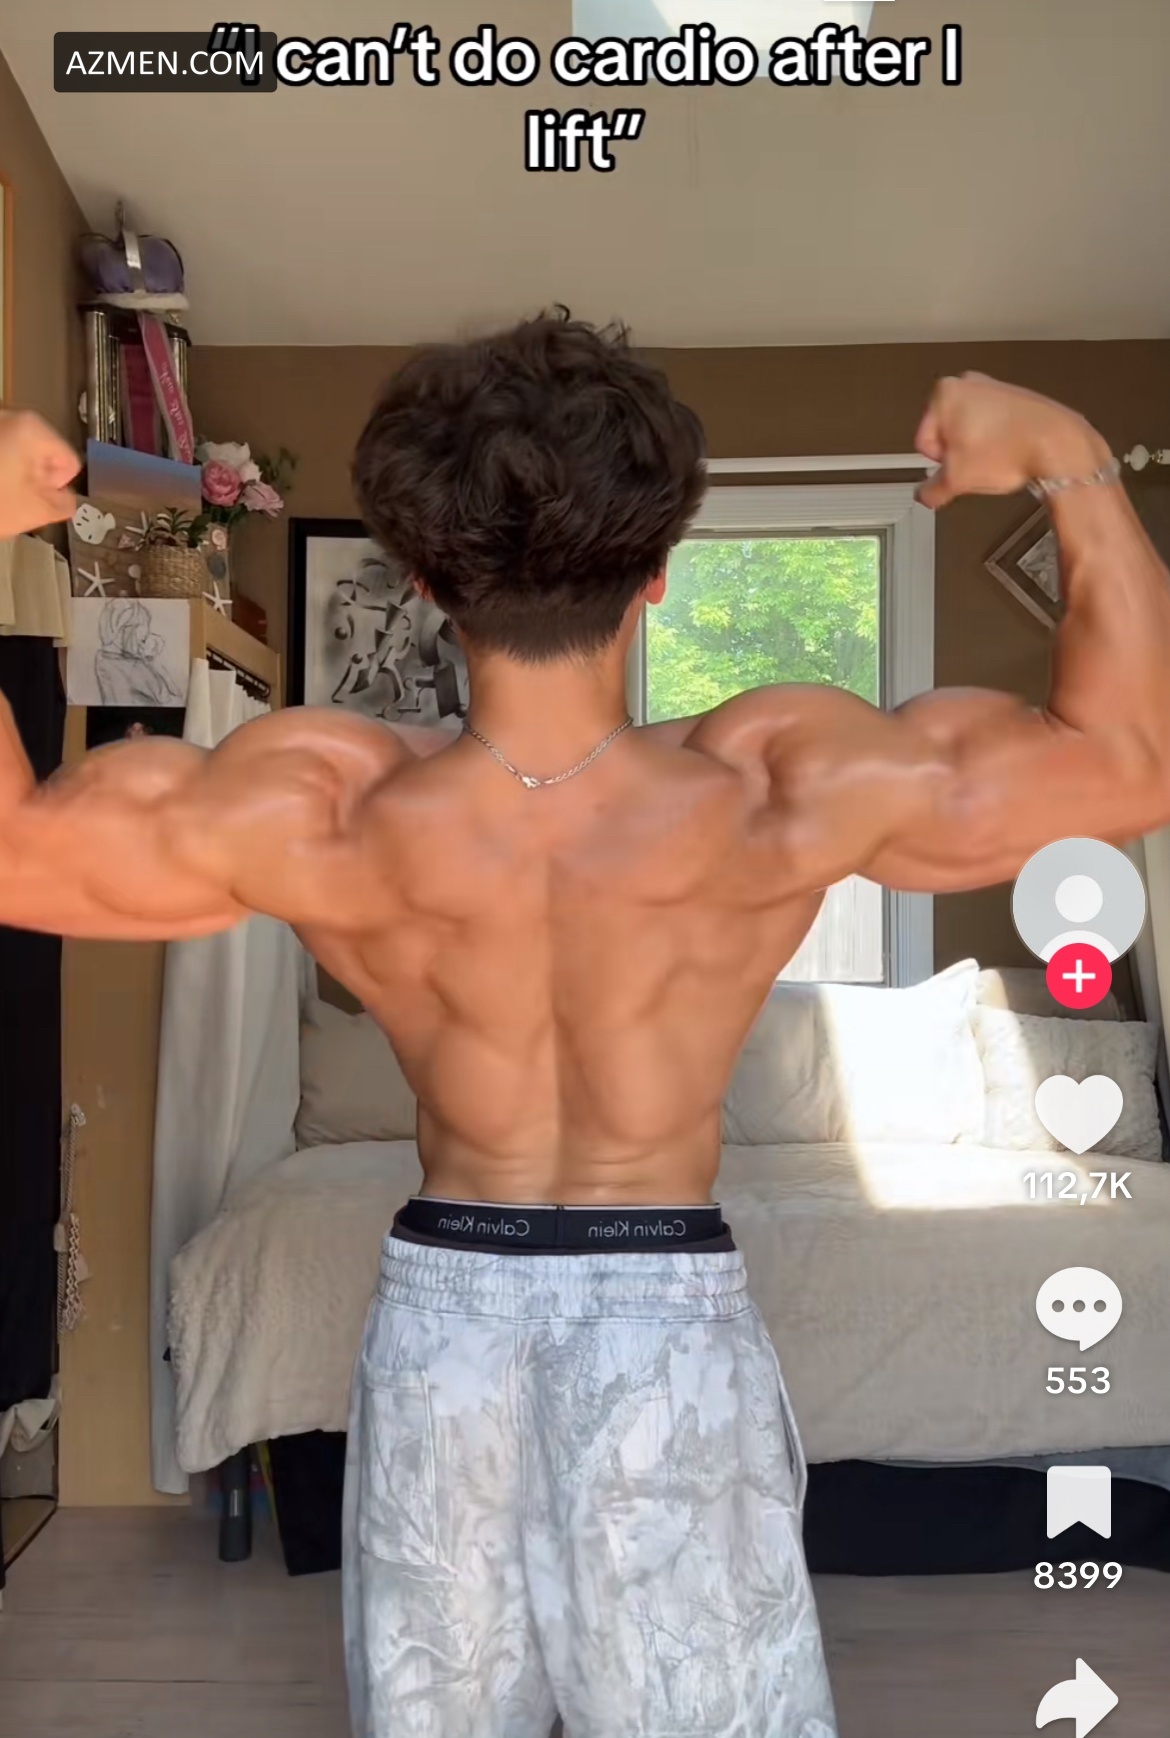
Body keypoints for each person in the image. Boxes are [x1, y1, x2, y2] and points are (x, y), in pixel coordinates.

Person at [2, 316, 1169, 1737]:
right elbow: (1129, 763)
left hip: (448, 1317)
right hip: (664, 1320)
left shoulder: (325, 801)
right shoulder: (772, 783)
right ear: (659, 569)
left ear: (423, 578)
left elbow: (19, 856)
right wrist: (1067, 456)